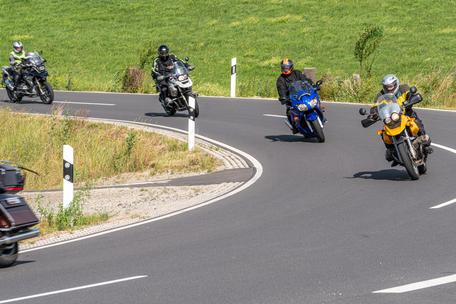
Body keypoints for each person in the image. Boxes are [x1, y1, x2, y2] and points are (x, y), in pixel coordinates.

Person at [372, 74, 432, 165]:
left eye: (391, 86)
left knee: (415, 121)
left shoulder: (403, 88)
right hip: (391, 120)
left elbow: (410, 94)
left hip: (406, 113)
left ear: (396, 84)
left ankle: (424, 139)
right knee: (384, 133)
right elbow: (375, 107)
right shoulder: (380, 95)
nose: (389, 89)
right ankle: (392, 151)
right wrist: (373, 114)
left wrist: (411, 99)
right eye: (386, 87)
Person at [276, 58, 314, 133]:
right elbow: (281, 90)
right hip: (292, 99)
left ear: (291, 67)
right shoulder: (280, 80)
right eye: (284, 67)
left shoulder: (297, 73)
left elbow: (305, 80)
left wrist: (311, 84)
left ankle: (320, 109)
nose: (285, 69)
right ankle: (295, 126)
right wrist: (283, 98)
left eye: (287, 67)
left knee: (314, 98)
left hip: (303, 95)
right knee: (290, 111)